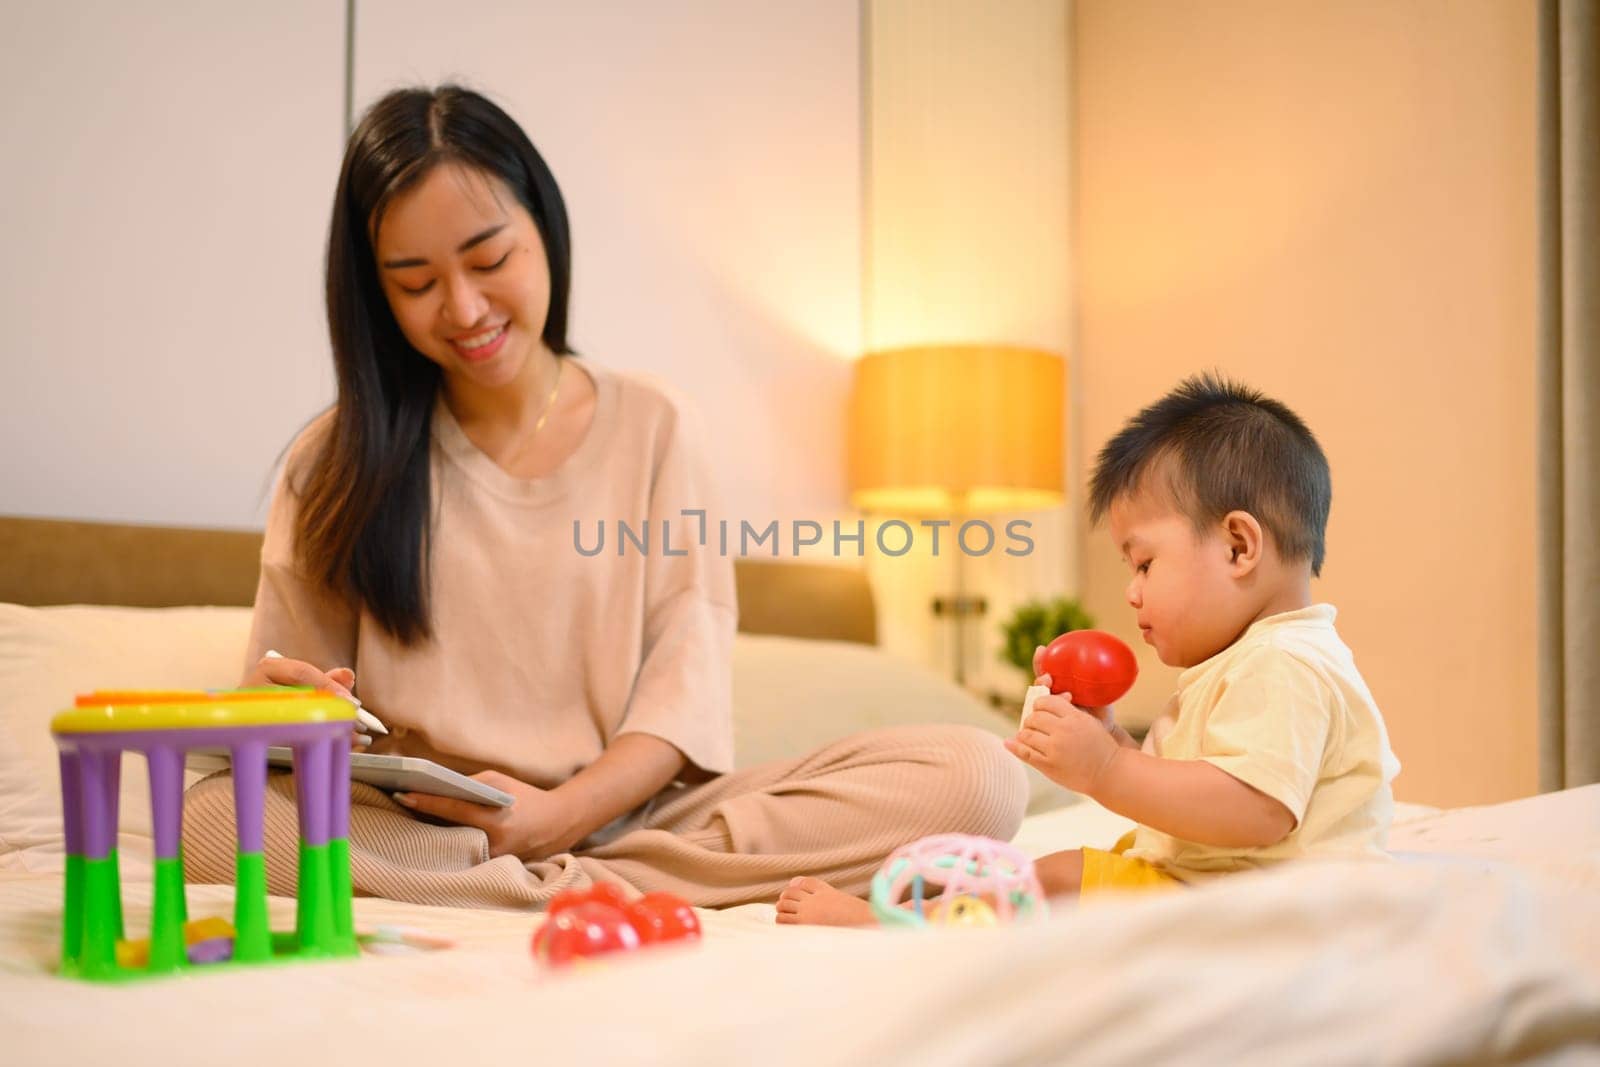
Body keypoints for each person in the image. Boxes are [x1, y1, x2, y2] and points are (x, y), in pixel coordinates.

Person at [182, 84, 1025, 909]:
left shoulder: (656, 426)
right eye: (415, 282)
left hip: (634, 820)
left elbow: (679, 694)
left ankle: (531, 887)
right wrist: (292, 707)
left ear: (543, 229)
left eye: (489, 259)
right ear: (375, 290)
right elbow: (279, 724)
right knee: (212, 821)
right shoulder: (331, 462)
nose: (464, 306)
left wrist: (558, 817)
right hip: (427, 826)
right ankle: (569, 890)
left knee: (978, 776)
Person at [780, 373, 1399, 924]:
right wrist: (1114, 747)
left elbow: (1256, 810)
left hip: (1265, 907)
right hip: (1238, 887)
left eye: (1145, 563)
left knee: (1052, 881)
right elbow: (1201, 790)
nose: (1131, 593)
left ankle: (887, 927)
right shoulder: (1261, 658)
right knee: (1063, 871)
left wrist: (1106, 770)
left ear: (1238, 547)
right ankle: (948, 905)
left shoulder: (1283, 663)